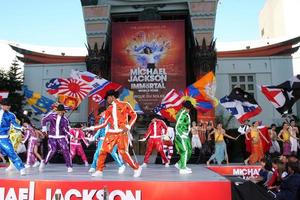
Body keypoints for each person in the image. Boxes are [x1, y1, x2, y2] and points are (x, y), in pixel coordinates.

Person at [84, 90, 141, 177]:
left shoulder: (125, 104)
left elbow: (134, 115)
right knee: (102, 151)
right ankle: (99, 170)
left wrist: (129, 126)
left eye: (107, 98)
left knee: (123, 152)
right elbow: (104, 123)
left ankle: (136, 168)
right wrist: (91, 128)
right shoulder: (108, 109)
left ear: (112, 97)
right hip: (111, 133)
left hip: (122, 132)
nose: (107, 100)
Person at [89, 107, 125, 174]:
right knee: (97, 152)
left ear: (104, 112)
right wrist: (95, 136)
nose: (100, 115)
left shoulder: (112, 118)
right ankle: (93, 167)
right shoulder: (101, 119)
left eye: (101, 113)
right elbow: (100, 129)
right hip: (102, 138)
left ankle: (121, 165)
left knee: (113, 152)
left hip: (111, 138)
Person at [39, 104, 73, 172]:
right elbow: (44, 120)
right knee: (52, 150)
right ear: (57, 111)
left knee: (65, 149)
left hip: (61, 137)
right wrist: (44, 129)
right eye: (59, 111)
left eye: (62, 112)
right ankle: (44, 162)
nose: (60, 113)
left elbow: (66, 129)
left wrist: (70, 134)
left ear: (64, 111)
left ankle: (69, 166)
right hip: (52, 136)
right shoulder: (51, 116)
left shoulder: (65, 120)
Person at [0, 98, 26, 175]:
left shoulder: (11, 115)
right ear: (1, 105)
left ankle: (21, 168)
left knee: (11, 152)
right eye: (5, 106)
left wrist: (21, 127)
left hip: (3, 138)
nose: (7, 107)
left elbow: (15, 124)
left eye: (8, 106)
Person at [174, 101, 193, 174]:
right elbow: (178, 125)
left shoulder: (186, 113)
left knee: (189, 151)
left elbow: (186, 125)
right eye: (189, 108)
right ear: (185, 107)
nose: (189, 109)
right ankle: (182, 168)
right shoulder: (182, 113)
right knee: (184, 150)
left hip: (186, 135)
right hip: (181, 135)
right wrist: (181, 134)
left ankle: (180, 164)